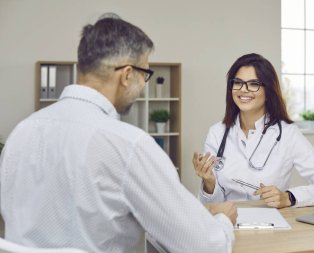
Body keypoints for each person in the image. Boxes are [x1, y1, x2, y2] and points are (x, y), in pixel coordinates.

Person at [0, 14, 237, 253]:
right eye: (145, 74)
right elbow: (205, 247)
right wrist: (224, 221)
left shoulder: (21, 133)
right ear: (126, 75)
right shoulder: (128, 146)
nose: (144, 84)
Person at [193, 53, 314, 208]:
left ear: (268, 91)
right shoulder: (217, 133)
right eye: (238, 82)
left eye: (254, 84)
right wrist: (209, 183)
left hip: (271, 224)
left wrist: (288, 197)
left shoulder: (288, 133)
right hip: (227, 222)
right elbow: (210, 205)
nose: (243, 90)